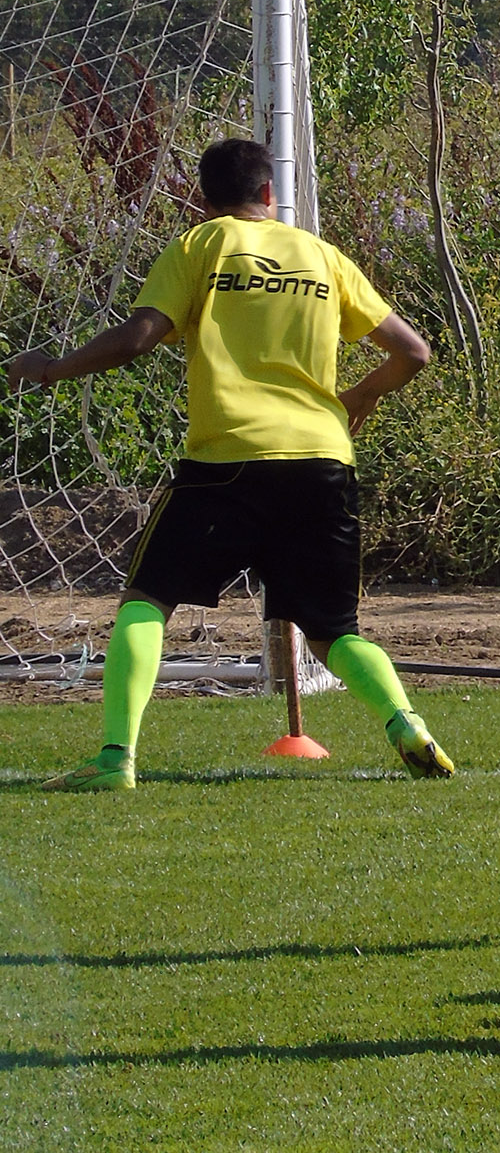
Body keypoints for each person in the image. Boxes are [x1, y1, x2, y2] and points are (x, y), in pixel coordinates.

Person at [8, 138, 450, 789]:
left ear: (204, 199)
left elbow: (138, 337)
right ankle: (405, 723)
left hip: (228, 461)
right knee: (333, 631)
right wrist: (361, 395)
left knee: (146, 600)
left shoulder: (200, 245)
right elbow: (414, 351)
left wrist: (50, 368)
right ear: (269, 193)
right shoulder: (322, 256)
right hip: (322, 461)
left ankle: (115, 758)